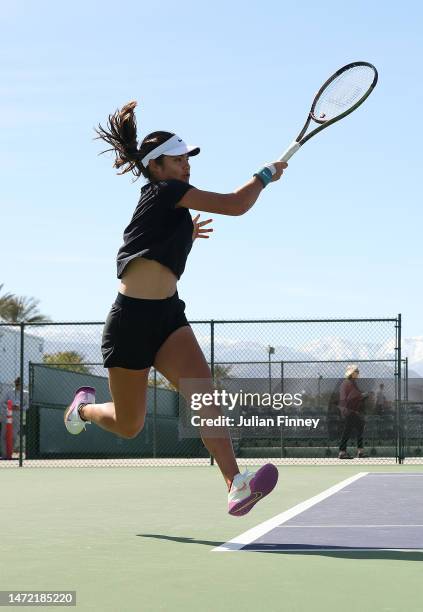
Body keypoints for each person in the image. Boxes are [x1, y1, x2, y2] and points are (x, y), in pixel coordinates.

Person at [64, 101, 286, 515]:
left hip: (168, 318)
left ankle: (235, 484)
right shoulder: (165, 191)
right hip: (130, 321)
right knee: (129, 426)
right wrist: (265, 175)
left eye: (188, 159)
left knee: (204, 396)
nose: (186, 165)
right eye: (179, 159)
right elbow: (237, 204)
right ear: (156, 166)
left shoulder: (173, 206)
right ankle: (84, 409)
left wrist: (184, 233)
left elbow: (156, 249)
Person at [338, 365, 368, 459]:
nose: (358, 373)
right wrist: (363, 395)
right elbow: (353, 396)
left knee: (358, 428)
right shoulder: (349, 383)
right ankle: (343, 452)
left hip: (349, 410)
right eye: (357, 371)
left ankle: (359, 451)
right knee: (348, 431)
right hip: (349, 410)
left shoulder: (348, 382)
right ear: (352, 373)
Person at [0, 377, 28, 458]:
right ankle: (4, 454)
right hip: (7, 414)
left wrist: (20, 408)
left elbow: (27, 405)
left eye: (19, 384)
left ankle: (10, 453)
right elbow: (2, 403)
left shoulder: (25, 393)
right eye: (17, 384)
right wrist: (10, 407)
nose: (18, 386)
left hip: (17, 415)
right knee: (4, 435)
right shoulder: (9, 392)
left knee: (14, 435)